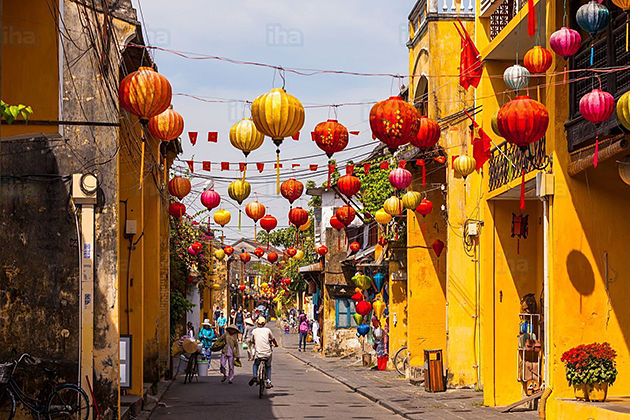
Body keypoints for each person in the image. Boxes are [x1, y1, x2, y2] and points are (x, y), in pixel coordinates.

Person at [249, 317, 278, 388]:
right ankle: (268, 381)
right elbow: (273, 339)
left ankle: (255, 375)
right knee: (268, 366)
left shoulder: (254, 331)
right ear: (264, 323)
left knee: (255, 364)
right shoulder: (268, 330)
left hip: (259, 354)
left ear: (257, 323)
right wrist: (276, 345)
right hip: (267, 354)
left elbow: (251, 340)